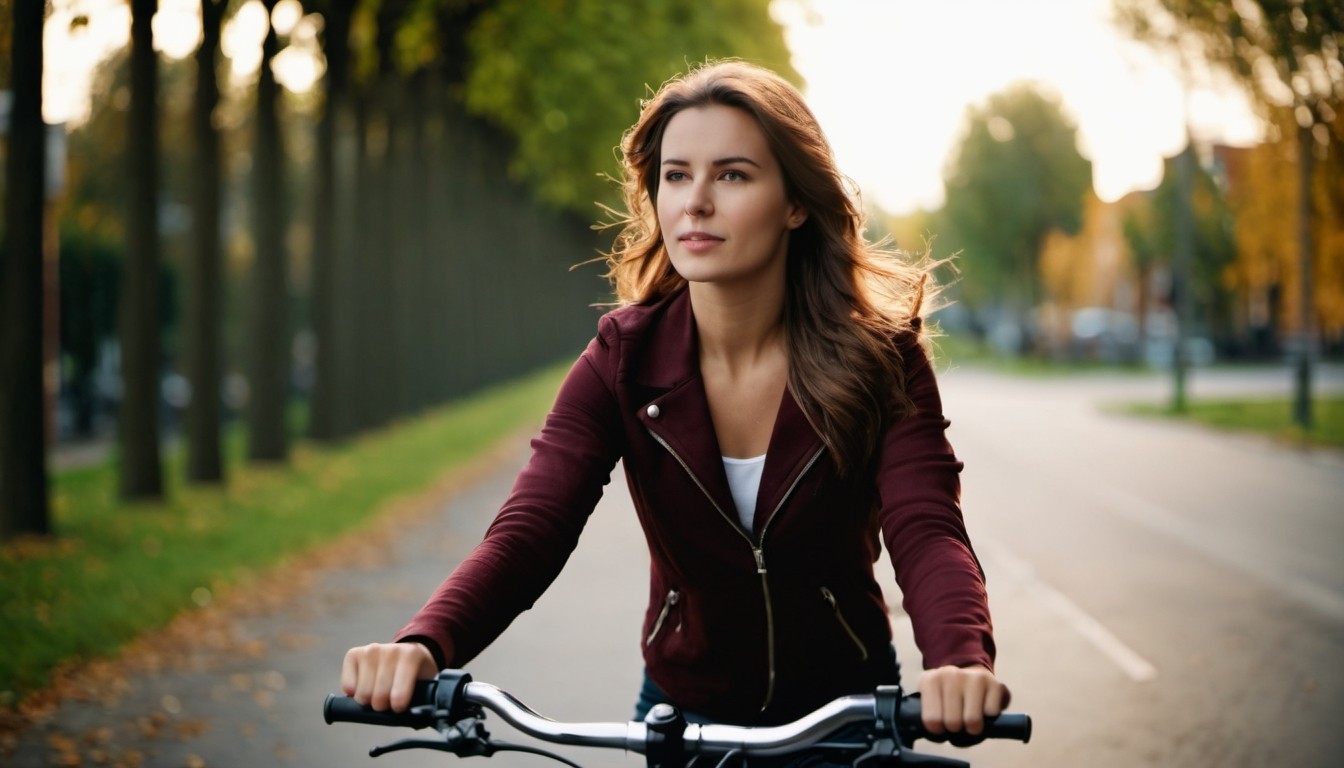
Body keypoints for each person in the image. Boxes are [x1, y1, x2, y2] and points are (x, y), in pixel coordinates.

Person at [340, 59, 1010, 741]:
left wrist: (957, 660)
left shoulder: (881, 358)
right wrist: (424, 644)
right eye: (677, 175)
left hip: (847, 718)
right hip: (680, 717)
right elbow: (531, 527)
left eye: (733, 175)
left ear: (796, 203)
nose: (695, 201)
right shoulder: (622, 358)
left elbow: (927, 528)